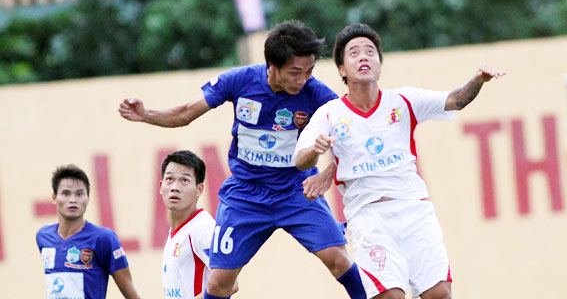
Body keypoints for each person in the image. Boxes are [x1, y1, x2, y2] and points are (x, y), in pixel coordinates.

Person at [118, 20, 366, 299]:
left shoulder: (316, 94)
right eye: (295, 72)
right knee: (219, 284)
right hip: (246, 197)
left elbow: (349, 134)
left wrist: (327, 171)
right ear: (272, 66)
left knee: (339, 260)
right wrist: (145, 114)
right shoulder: (241, 81)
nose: (303, 79)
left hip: (296, 192)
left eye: (309, 71)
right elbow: (185, 113)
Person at [294, 23, 505, 299]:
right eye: (354, 53)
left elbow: (457, 99)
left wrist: (478, 80)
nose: (364, 57)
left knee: (439, 293)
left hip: (414, 211)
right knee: (390, 296)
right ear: (342, 70)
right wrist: (316, 150)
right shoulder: (329, 113)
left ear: (380, 65)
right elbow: (300, 159)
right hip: (368, 218)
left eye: (370, 52)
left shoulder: (403, 101)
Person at [36, 164, 141, 299]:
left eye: (79, 194)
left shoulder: (104, 239)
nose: (73, 200)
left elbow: (129, 291)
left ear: (88, 198)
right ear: (54, 198)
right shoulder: (43, 236)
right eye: (66, 193)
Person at [160, 150, 238, 299]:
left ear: (199, 190)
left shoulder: (203, 228)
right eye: (169, 179)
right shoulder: (176, 231)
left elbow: (230, 284)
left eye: (184, 181)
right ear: (161, 186)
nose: (175, 187)